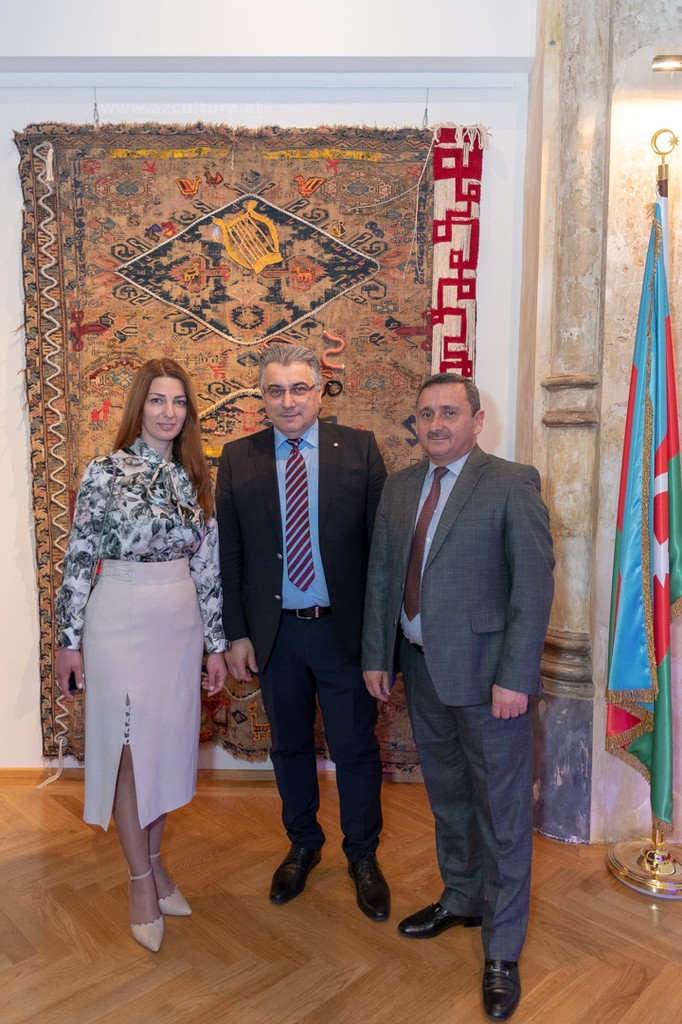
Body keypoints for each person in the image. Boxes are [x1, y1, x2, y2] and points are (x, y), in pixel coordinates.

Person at [362, 373, 554, 1021]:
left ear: (476, 420)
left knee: (502, 815)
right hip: (422, 672)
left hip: (490, 681)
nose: (436, 424)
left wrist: (516, 678)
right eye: (425, 414)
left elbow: (534, 587)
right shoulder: (399, 488)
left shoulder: (511, 483)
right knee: (448, 798)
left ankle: (502, 948)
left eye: (449, 412)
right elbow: (383, 577)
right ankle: (463, 897)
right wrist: (376, 656)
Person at [55, 358, 227, 953]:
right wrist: (67, 641)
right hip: (120, 618)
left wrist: (216, 645)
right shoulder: (104, 472)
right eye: (157, 400)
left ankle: (155, 866)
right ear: (139, 406)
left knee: (164, 750)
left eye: (178, 402)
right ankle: (138, 883)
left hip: (179, 624)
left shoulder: (197, 476)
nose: (168, 412)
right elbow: (80, 556)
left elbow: (209, 569)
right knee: (129, 753)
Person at [216, 341, 390, 920]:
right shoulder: (237, 458)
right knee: (288, 746)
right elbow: (230, 555)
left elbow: (382, 554)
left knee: (355, 749)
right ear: (261, 398)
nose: (287, 401)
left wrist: (378, 641)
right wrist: (237, 634)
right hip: (276, 637)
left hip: (343, 634)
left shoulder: (360, 450)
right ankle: (303, 844)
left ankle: (362, 855)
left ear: (319, 391)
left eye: (298, 388)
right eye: (275, 390)